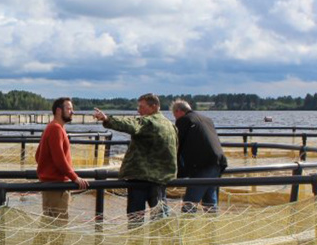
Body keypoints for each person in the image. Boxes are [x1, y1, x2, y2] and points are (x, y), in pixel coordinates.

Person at [93, 94, 177, 222]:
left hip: (141, 178)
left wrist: (106, 119)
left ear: (153, 106)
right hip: (161, 180)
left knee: (135, 220)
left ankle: (135, 242)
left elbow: (131, 124)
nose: (138, 110)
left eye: (141, 107)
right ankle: (163, 242)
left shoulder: (148, 122)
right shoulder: (171, 126)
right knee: (160, 219)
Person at [35, 97, 89, 219]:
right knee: (58, 228)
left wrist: (46, 170)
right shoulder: (56, 129)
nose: (72, 112)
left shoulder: (52, 127)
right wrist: (74, 177)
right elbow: (59, 159)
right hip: (56, 186)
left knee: (47, 226)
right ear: (59, 111)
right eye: (69, 108)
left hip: (50, 185)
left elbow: (38, 156)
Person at [171, 99, 228, 213]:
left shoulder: (184, 120)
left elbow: (176, 145)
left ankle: (187, 229)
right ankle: (212, 228)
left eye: (174, 115)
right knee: (210, 201)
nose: (175, 118)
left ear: (178, 111)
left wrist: (175, 170)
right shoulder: (207, 119)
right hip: (218, 161)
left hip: (203, 165)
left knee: (189, 203)